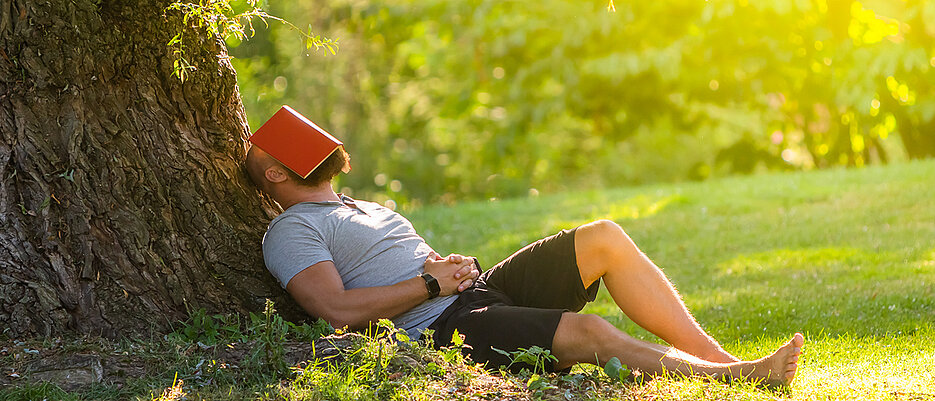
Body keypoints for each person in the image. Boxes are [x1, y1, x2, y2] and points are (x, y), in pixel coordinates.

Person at [245, 145, 804, 386]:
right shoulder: (292, 230)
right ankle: (734, 377)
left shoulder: (352, 204)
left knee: (603, 237)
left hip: (472, 290)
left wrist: (444, 269)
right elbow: (335, 310)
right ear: (273, 174)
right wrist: (428, 282)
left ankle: (715, 354)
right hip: (443, 329)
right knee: (587, 332)